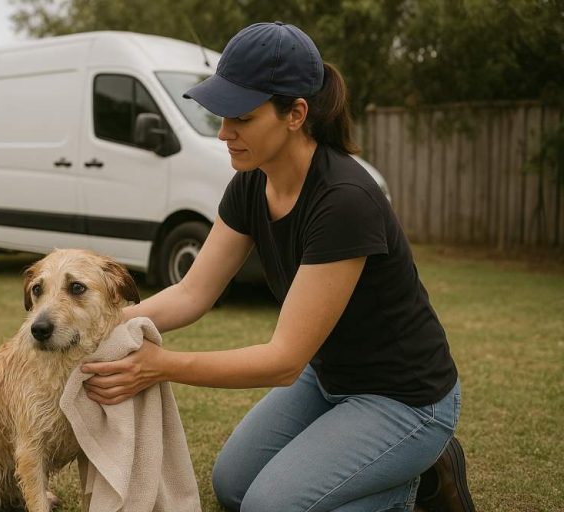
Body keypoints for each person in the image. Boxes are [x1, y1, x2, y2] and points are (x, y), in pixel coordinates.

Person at [81, 22, 475, 512]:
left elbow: (284, 359)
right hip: (329, 379)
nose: (224, 132)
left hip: (406, 399)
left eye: (242, 118)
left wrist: (161, 367)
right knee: (232, 486)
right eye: (222, 115)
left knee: (268, 507)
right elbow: (191, 293)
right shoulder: (251, 183)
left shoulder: (344, 200)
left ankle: (418, 486)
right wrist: (96, 326)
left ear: (296, 114)